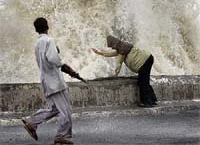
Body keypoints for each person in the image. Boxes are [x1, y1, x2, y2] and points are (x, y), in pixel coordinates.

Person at [22, 17, 84, 145]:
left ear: (36, 29)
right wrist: (68, 69)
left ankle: (31, 122)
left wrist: (56, 53)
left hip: (46, 81)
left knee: (54, 109)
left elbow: (43, 60)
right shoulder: (49, 40)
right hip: (55, 83)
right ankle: (62, 137)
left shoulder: (38, 44)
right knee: (66, 110)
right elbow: (53, 58)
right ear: (47, 27)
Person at [92, 35, 157, 108]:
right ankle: (153, 100)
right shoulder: (122, 46)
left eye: (111, 45)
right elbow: (111, 53)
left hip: (144, 63)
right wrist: (99, 53)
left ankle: (147, 102)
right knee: (144, 81)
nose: (111, 47)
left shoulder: (121, 51)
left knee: (143, 83)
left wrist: (115, 74)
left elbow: (118, 63)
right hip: (148, 58)